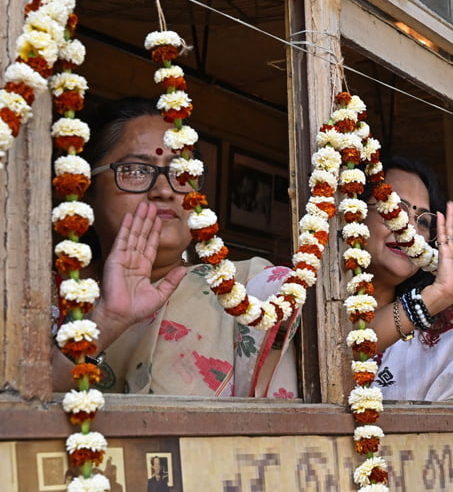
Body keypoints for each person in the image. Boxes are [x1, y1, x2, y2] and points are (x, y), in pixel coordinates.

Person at [51, 97, 297, 397]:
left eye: (181, 174)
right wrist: (107, 322)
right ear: (84, 189)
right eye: (136, 170)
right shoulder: (42, 299)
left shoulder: (245, 292)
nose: (165, 190)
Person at [364, 155, 453, 401]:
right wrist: (434, 297)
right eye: (395, 210)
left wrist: (441, 294)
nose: (410, 230)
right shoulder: (297, 297)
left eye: (423, 220)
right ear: (354, 213)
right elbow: (338, 350)